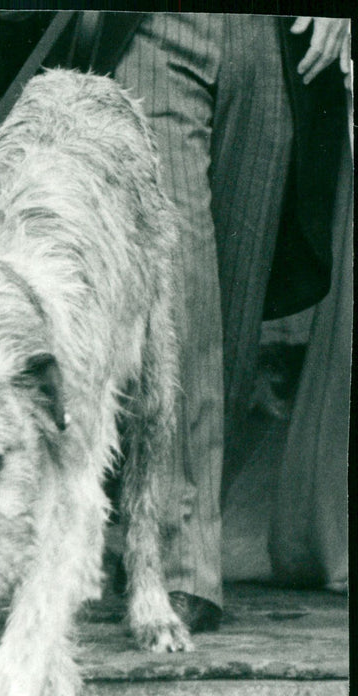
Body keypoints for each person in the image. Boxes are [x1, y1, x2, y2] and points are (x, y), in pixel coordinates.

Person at [71, 13, 349, 631]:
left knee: (235, 308)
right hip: (156, 28)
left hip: (275, 40)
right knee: (184, 295)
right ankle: (176, 562)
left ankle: (166, 524)